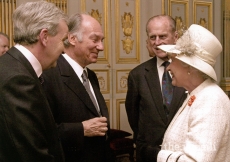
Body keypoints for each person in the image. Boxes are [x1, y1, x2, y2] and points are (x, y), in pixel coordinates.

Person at [0, 1, 68, 161]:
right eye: (63, 40)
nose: (64, 49)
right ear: (44, 37)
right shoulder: (18, 79)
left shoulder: (13, 66)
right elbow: (30, 153)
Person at [42, 13, 114, 162]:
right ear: (72, 39)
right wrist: (81, 129)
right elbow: (40, 131)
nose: (101, 47)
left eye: (102, 40)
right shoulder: (49, 74)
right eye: (95, 40)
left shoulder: (91, 75)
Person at [157, 24, 230, 161]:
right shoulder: (199, 94)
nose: (169, 67)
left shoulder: (211, 100)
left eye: (173, 60)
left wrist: (162, 156)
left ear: (190, 67)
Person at [125, 15, 187, 162]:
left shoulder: (190, 71)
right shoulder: (137, 75)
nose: (157, 42)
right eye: (153, 37)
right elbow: (134, 117)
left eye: (163, 36)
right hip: (149, 153)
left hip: (183, 153)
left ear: (176, 37)